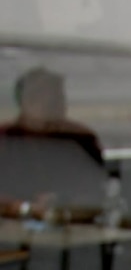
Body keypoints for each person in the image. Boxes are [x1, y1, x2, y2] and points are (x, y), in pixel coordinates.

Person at [0, 66, 106, 222]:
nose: (56, 105)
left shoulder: (81, 141)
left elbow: (97, 195)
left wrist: (63, 206)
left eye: (59, 98)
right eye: (47, 99)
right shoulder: (5, 140)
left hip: (72, 232)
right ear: (25, 102)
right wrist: (26, 208)